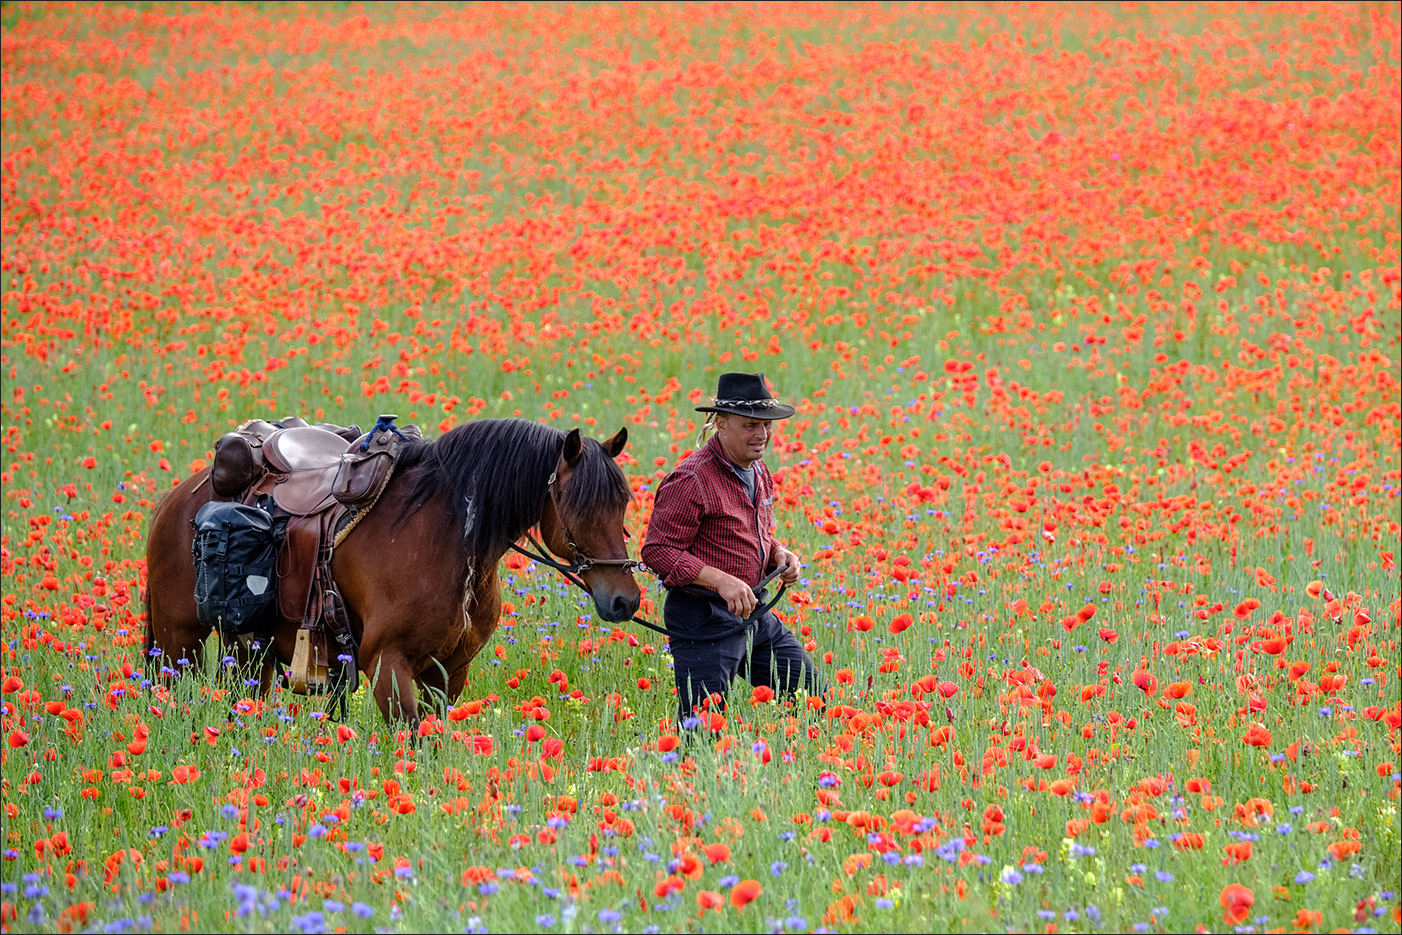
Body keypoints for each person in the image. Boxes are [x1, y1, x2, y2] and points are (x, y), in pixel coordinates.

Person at [641, 372, 824, 727]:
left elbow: (751, 531)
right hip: (703, 617)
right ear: (719, 423)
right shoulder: (691, 479)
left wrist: (778, 554)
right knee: (703, 728)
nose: (762, 435)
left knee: (812, 696)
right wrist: (720, 580)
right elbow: (658, 550)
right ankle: (693, 778)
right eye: (751, 425)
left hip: (753, 611)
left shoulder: (757, 470)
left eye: (767, 425)